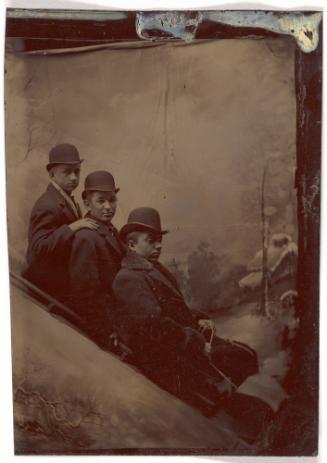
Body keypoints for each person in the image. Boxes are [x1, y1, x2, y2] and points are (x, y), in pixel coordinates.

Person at [113, 207, 258, 395]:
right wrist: (197, 345)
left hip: (182, 341)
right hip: (166, 356)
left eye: (160, 240)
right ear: (131, 245)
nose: (159, 246)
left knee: (246, 354)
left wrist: (198, 319)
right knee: (239, 360)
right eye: (151, 241)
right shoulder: (128, 278)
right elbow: (155, 326)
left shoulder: (154, 269)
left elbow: (175, 307)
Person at [23, 143, 99, 302]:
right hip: (46, 285)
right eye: (67, 172)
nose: (73, 177)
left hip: (60, 277)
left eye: (76, 171)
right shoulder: (47, 204)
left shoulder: (64, 198)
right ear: (52, 174)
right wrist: (72, 227)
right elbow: (39, 247)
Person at [68, 171, 126, 346]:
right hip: (109, 325)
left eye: (112, 200)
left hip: (120, 317)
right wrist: (105, 330)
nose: (108, 207)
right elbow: (85, 293)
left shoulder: (109, 230)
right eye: (101, 201)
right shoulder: (86, 237)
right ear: (87, 203)